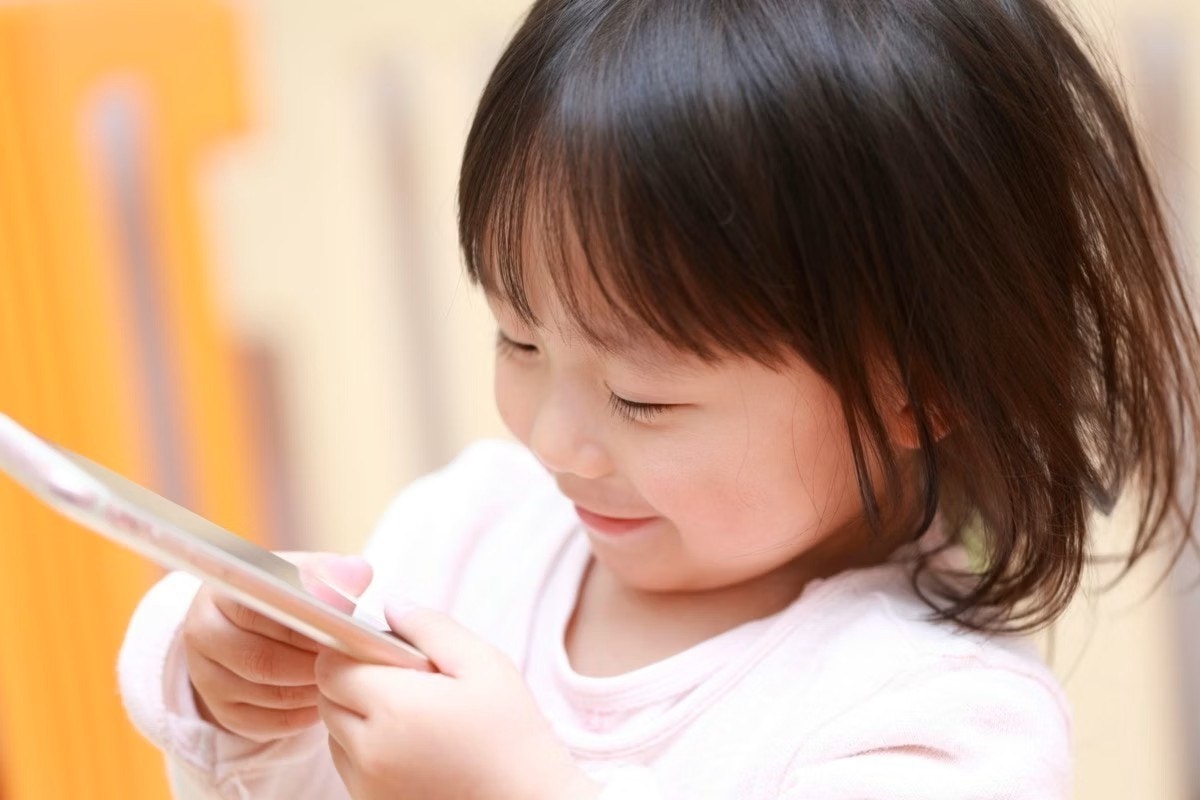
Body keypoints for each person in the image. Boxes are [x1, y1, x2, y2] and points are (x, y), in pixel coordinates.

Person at [118, 0, 1200, 797]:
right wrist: (237, 695)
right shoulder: (473, 531)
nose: (552, 439)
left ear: (919, 386)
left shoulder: (938, 726)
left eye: (643, 399)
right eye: (517, 338)